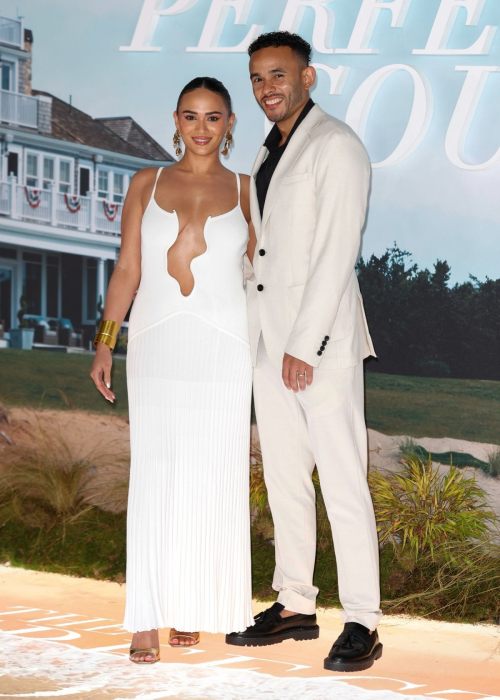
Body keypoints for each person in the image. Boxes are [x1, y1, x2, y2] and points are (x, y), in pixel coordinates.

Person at [225, 32, 383, 673]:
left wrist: (306, 344)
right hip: (269, 341)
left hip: (320, 348)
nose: (268, 88)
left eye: (279, 75)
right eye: (259, 77)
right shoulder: (268, 149)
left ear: (308, 77)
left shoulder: (337, 146)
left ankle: (364, 620)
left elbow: (336, 253)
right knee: (285, 476)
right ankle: (294, 602)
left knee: (342, 480)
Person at [90, 77, 257, 664]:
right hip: (158, 345)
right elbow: (127, 270)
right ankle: (146, 618)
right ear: (177, 121)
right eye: (192, 117)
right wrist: (106, 342)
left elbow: (265, 274)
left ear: (230, 124)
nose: (202, 129)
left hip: (225, 350)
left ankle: (192, 604)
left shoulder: (247, 189)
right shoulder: (146, 182)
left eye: (215, 118)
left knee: (212, 473)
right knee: (158, 473)